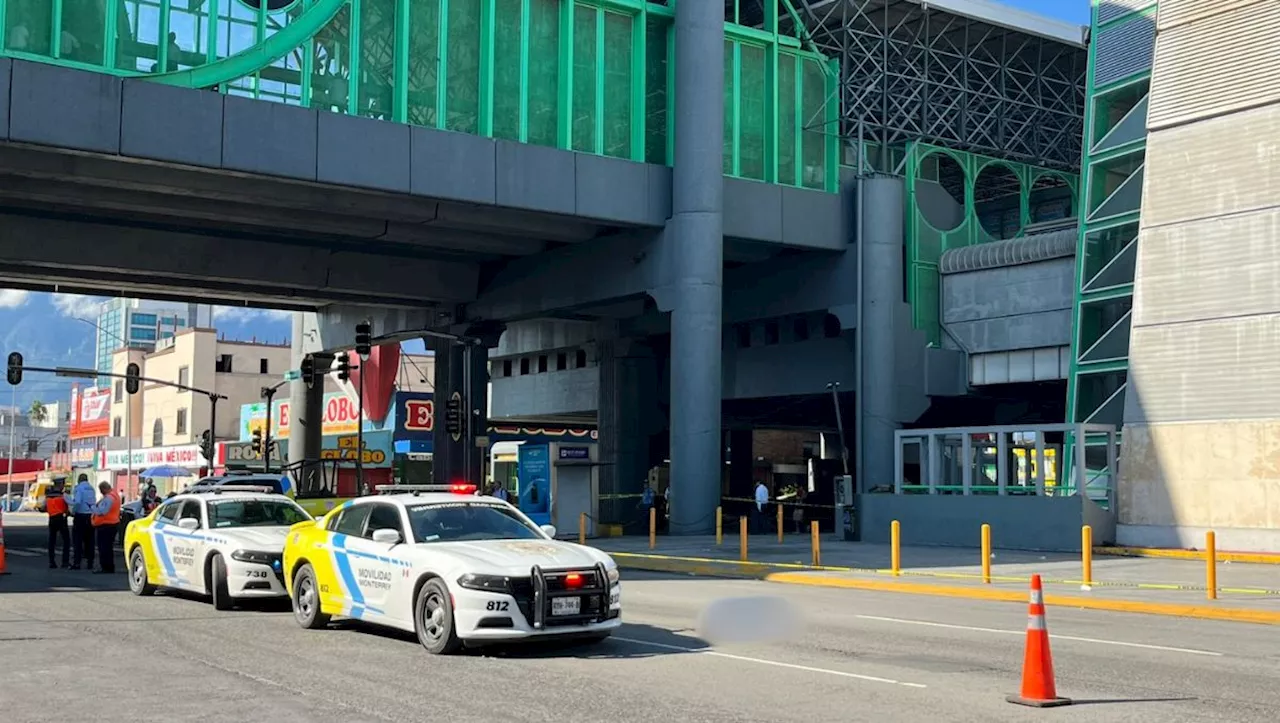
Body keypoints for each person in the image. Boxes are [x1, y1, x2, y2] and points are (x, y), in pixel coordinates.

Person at [90, 482, 121, 574]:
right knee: (108, 548)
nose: (101, 493)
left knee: (103, 548)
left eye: (101, 490)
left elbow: (102, 511)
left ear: (104, 489)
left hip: (105, 525)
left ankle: (105, 567)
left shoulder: (108, 498)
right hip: (113, 523)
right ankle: (109, 567)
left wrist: (93, 507)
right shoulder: (115, 495)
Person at [40, 477, 72, 569]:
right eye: (63, 484)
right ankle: (65, 562)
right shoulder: (63, 495)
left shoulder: (48, 496)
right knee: (66, 541)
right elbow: (70, 506)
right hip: (61, 519)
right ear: (61, 485)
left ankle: (51, 562)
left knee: (52, 541)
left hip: (52, 519)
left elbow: (43, 508)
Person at [70, 474, 97, 570]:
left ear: (79, 480)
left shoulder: (79, 488)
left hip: (80, 516)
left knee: (78, 540)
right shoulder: (92, 489)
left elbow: (77, 502)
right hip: (90, 516)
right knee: (90, 540)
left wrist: (73, 511)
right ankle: (90, 563)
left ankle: (77, 563)